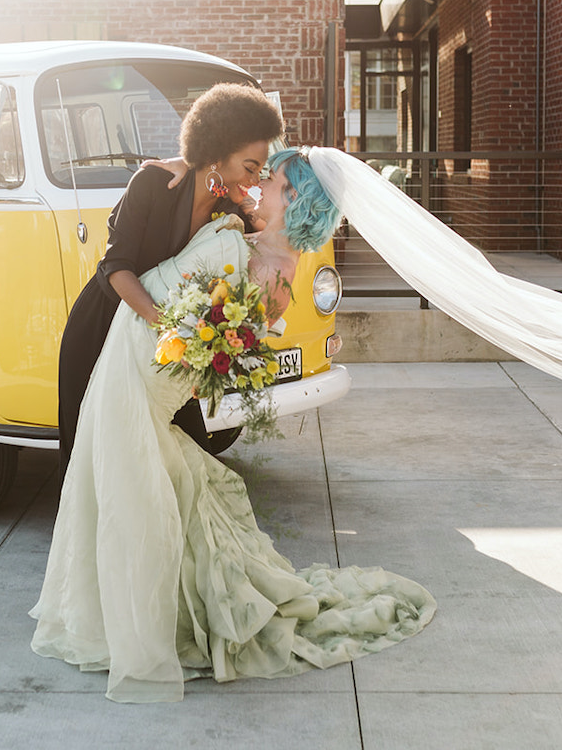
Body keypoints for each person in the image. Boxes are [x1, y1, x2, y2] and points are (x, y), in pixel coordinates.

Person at [31, 149, 435, 703]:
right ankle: (131, 616)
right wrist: (180, 162)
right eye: (259, 172)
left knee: (132, 501)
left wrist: (187, 343)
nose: (260, 183)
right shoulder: (263, 251)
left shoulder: (268, 269)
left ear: (293, 199)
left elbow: (215, 347)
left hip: (143, 376)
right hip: (132, 364)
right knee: (130, 495)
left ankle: (139, 632)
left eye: (272, 179)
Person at [57, 83, 283, 463]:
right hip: (102, 333)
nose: (253, 180)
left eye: (259, 171)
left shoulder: (231, 210)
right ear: (216, 149)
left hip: (169, 348)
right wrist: (168, 327)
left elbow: (275, 233)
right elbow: (115, 267)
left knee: (192, 452)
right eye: (249, 167)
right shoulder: (152, 184)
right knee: (97, 459)